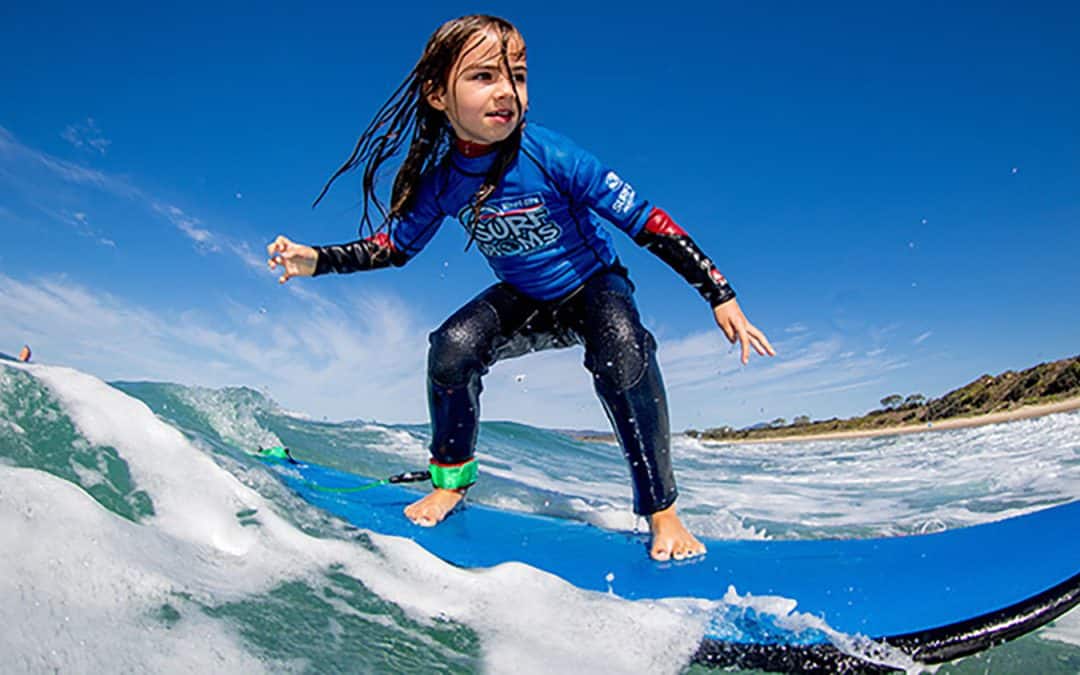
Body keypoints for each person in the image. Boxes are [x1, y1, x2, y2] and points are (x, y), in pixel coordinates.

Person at [267, 14, 775, 561]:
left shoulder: (551, 155)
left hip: (593, 287)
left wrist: (717, 290)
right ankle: (452, 481)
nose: (507, 91)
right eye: (484, 76)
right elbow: (393, 247)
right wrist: (316, 260)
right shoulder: (443, 183)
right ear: (438, 95)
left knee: (622, 351)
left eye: (519, 76)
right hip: (526, 299)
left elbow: (645, 220)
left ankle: (663, 513)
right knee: (452, 348)